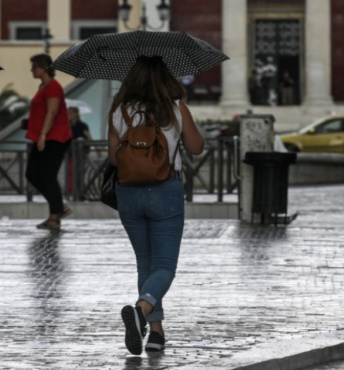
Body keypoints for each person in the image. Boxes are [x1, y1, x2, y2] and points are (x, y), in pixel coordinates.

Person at [107, 56, 205, 355]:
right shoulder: (174, 109)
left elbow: (113, 158)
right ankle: (141, 310)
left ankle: (156, 334)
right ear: (164, 79)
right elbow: (196, 147)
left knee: (145, 263)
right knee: (163, 266)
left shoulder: (118, 112)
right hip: (165, 191)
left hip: (128, 194)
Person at [25, 53, 73, 230]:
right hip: (42, 137)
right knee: (32, 173)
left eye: (34, 67)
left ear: (43, 67)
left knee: (48, 175)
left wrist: (43, 135)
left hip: (55, 138)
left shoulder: (53, 87)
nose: (32, 70)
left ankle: (55, 215)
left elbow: (52, 113)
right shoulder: (43, 87)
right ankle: (59, 207)